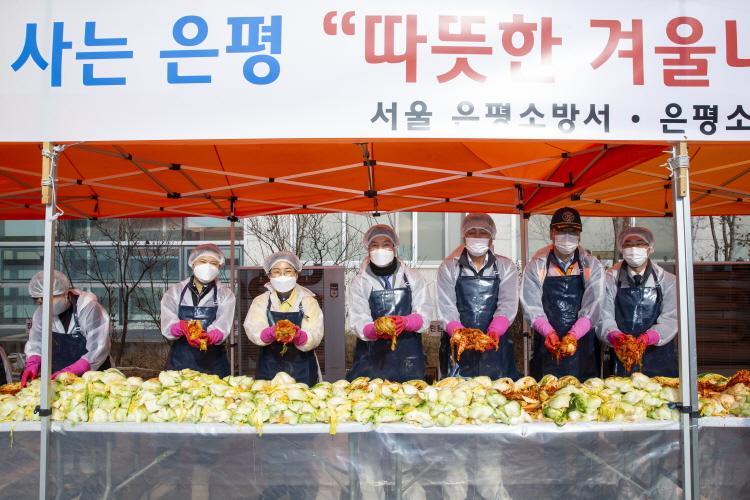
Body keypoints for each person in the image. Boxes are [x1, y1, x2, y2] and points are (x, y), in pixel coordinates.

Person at [521, 207, 604, 379]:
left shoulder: (591, 265)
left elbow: (594, 305)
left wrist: (574, 335)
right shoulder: (537, 265)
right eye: (561, 230)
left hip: (583, 346)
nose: (567, 236)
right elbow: (531, 306)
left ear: (579, 235)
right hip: (547, 344)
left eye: (572, 231)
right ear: (551, 233)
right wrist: (548, 332)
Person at [436, 213, 519, 379]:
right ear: (464, 236)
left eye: (483, 233)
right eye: (471, 232)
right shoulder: (449, 267)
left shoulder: (506, 266)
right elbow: (446, 307)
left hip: (495, 349)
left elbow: (508, 304)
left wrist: (495, 331)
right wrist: (460, 333)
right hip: (458, 351)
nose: (477, 236)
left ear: (492, 237)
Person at [347, 224, 433, 382]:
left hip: (409, 362)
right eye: (375, 245)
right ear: (368, 249)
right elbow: (358, 319)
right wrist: (375, 329)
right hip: (371, 362)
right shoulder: (359, 283)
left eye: (386, 244)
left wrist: (406, 322)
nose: (380, 249)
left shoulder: (413, 277)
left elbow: (424, 314)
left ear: (394, 247)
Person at [599, 227, 678, 376]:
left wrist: (649, 337)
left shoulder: (667, 280)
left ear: (650, 249)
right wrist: (615, 336)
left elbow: (671, 319)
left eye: (640, 243)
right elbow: (603, 315)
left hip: (659, 359)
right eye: (628, 244)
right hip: (621, 357)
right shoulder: (609, 278)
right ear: (622, 249)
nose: (634, 248)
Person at [244, 251, 323, 386]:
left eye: (288, 271)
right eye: (276, 272)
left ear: (296, 274)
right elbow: (253, 328)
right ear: (269, 275)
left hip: (303, 369)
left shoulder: (308, 301)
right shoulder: (261, 301)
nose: (282, 276)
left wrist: (300, 336)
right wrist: (269, 333)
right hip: (269, 368)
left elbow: (316, 333)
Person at [21, 270, 111, 386]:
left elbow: (98, 348)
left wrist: (76, 369)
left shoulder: (88, 308)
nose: (43, 304)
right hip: (60, 381)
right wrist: (33, 362)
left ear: (64, 293)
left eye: (46, 298)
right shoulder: (41, 314)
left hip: (93, 378)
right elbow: (36, 343)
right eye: (38, 300)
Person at [161, 243, 235, 377]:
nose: (208, 266)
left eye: (214, 263)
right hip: (180, 363)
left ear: (219, 267)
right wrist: (182, 327)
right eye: (203, 261)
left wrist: (210, 336)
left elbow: (223, 325)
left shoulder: (225, 294)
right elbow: (168, 325)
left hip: (214, 364)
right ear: (193, 263)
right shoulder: (175, 291)